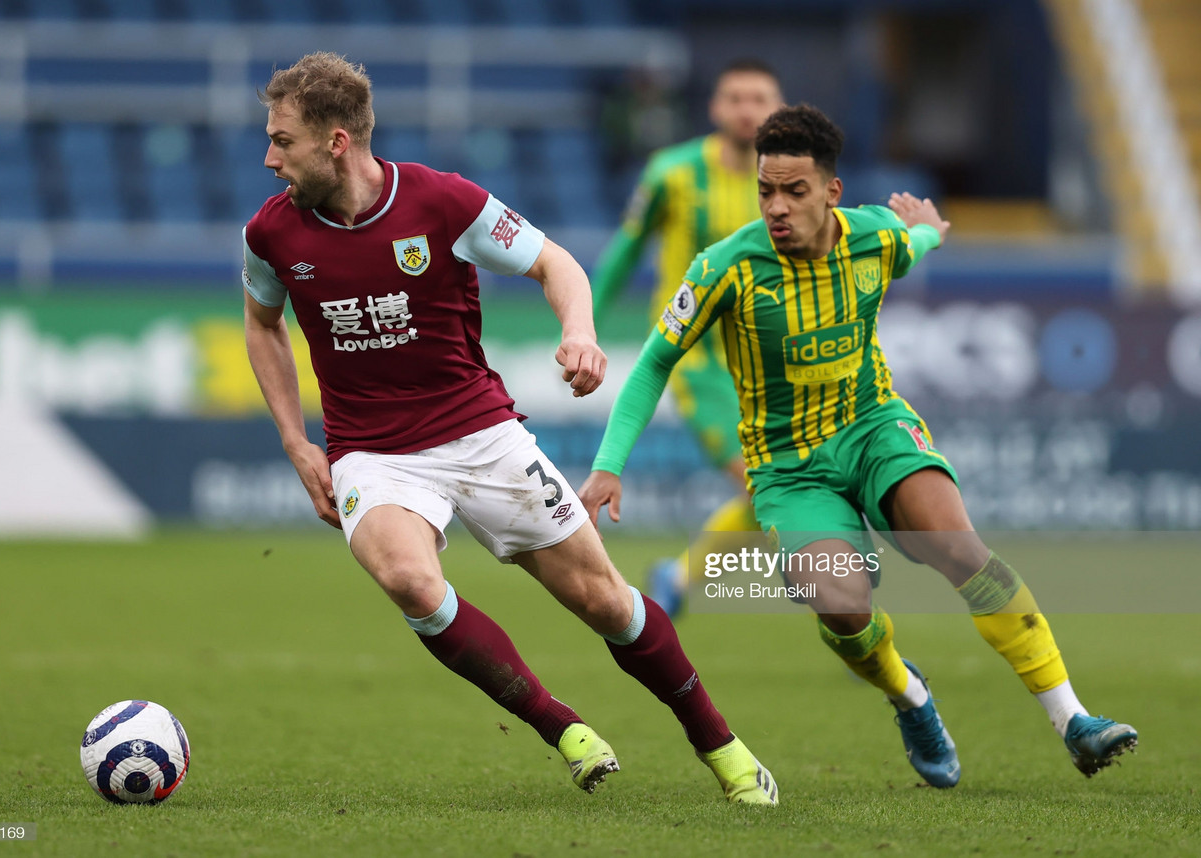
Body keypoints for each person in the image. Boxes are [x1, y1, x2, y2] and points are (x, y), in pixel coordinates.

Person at [240, 52, 778, 805]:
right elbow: (262, 326)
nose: (269, 158)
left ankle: (720, 744)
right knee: (409, 581)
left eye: (283, 141)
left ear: (336, 141)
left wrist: (580, 330)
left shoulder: (442, 202)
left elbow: (556, 263)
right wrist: (298, 442)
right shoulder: (271, 234)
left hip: (481, 434)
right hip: (372, 451)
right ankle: (563, 728)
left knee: (605, 603)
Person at [579, 104, 1137, 788]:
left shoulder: (871, 237)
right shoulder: (725, 267)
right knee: (843, 607)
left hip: (874, 427)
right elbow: (654, 364)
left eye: (794, 191)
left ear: (832, 193)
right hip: (790, 470)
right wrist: (608, 466)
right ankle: (910, 695)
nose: (776, 207)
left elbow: (912, 244)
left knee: (960, 547)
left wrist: (929, 232)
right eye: (765, 191)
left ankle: (1074, 720)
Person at [590, 59, 784, 617]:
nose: (747, 109)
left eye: (759, 97)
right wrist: (585, 321)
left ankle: (677, 576)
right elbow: (628, 248)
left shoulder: (790, 182)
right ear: (715, 108)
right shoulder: (671, 173)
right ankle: (842, 605)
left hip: (769, 362)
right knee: (762, 485)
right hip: (699, 360)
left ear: (778, 108)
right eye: (735, 98)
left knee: (781, 485)